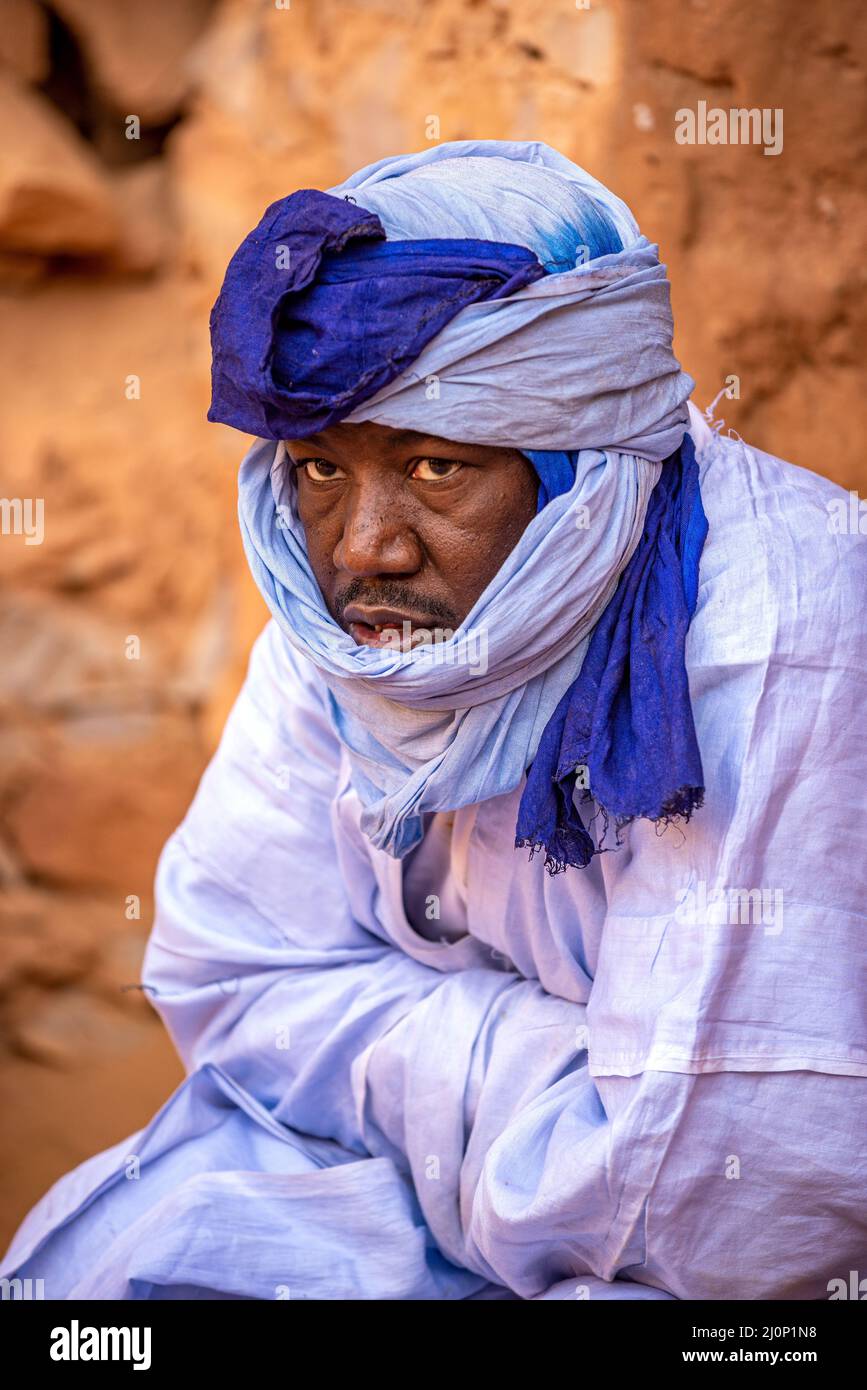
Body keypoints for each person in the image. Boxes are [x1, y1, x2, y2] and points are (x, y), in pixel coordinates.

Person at [2, 139, 865, 1301]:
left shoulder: (768, 641)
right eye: (318, 471)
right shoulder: (362, 627)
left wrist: (412, 1064)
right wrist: (565, 1077)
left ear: (577, 470)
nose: (366, 545)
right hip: (415, 1190)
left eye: (437, 467)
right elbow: (231, 971)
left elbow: (722, 1210)